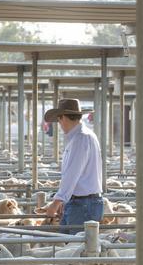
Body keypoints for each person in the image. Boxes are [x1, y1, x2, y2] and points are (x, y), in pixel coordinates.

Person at [43, 99, 103, 234]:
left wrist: (55, 203)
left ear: (62, 118)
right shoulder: (83, 136)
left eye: (58, 120)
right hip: (82, 203)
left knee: (75, 249)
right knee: (69, 248)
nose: (59, 124)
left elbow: (71, 175)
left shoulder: (80, 139)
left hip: (83, 205)